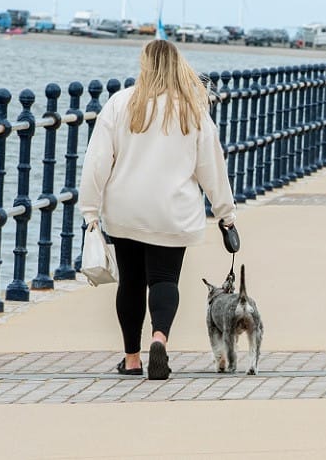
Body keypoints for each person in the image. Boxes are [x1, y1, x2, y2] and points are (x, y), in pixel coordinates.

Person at [79, 40, 236, 380]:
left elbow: (97, 161)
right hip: (172, 213)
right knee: (165, 279)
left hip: (125, 210)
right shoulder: (193, 110)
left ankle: (132, 359)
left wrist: (90, 210)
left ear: (144, 65)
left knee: (131, 283)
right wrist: (226, 215)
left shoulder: (121, 103)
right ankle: (159, 338)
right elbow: (212, 168)